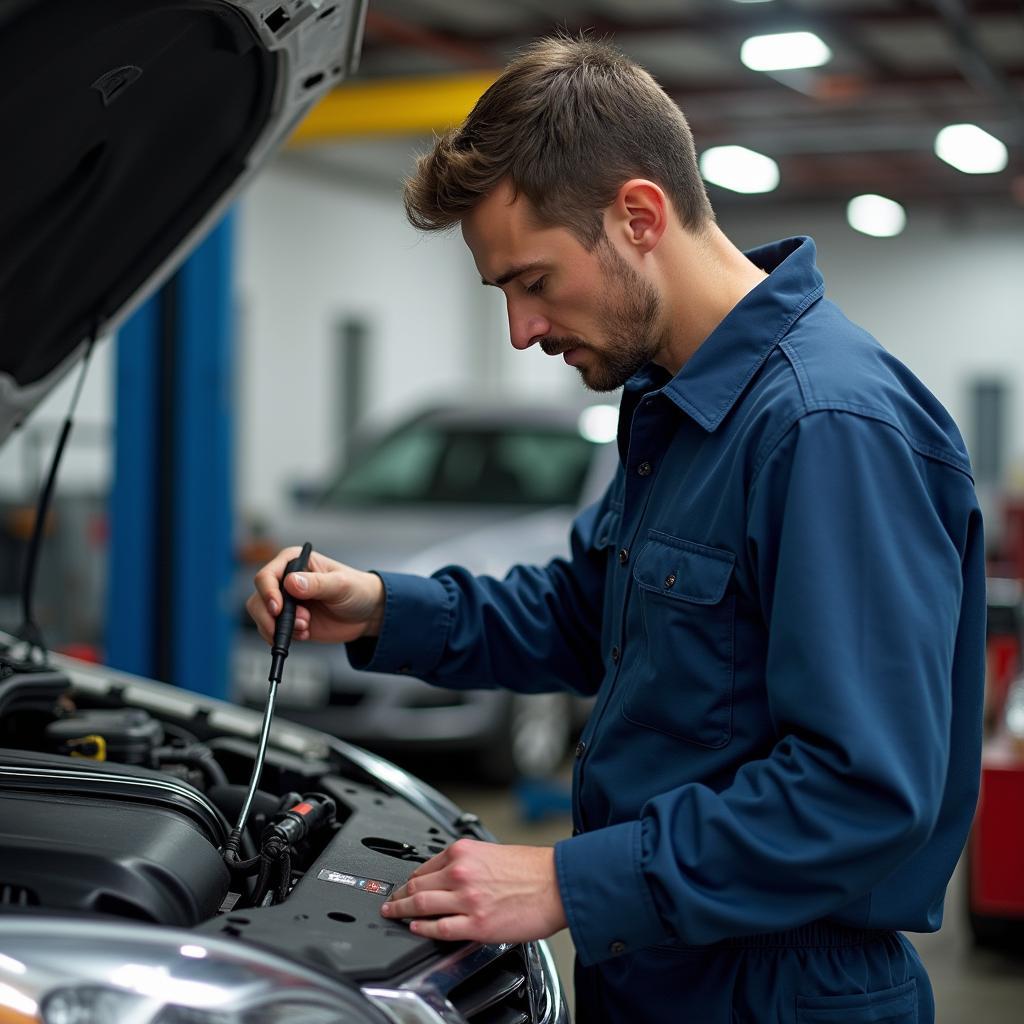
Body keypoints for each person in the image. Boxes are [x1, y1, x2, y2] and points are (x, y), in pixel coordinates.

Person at [247, 35, 985, 1024]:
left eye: (534, 281)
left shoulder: (826, 427)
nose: (519, 330)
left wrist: (567, 882)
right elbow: (591, 613)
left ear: (638, 215)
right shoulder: (673, 405)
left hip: (780, 991)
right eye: (501, 291)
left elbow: (861, 790)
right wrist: (383, 608)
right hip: (659, 967)